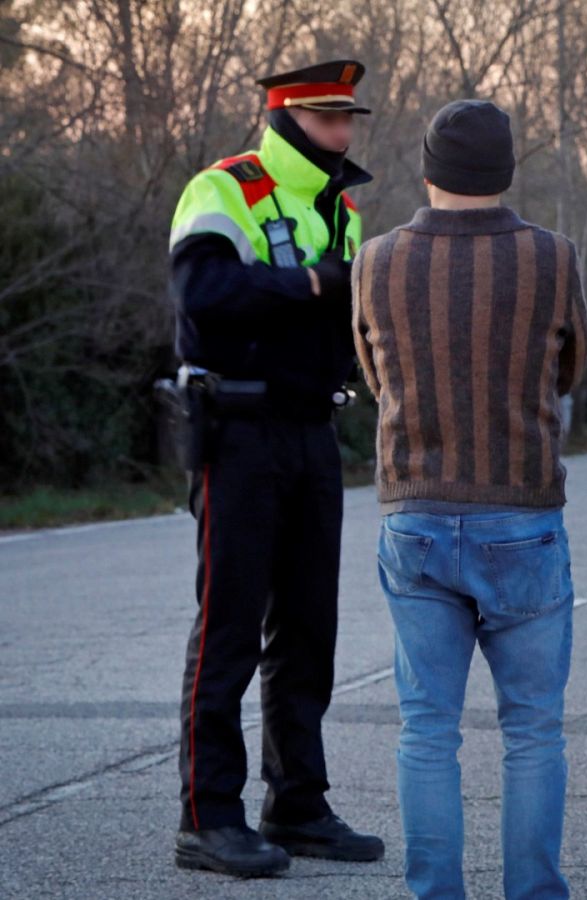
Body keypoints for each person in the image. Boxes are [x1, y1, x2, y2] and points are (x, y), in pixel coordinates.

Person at [352, 99, 587, 899]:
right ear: (507, 170)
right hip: (520, 513)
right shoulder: (552, 257)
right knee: (532, 734)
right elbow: (570, 371)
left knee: (427, 732)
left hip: (413, 513)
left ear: (427, 170)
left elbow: (374, 377)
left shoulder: (375, 259)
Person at [167, 59, 382, 877]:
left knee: (306, 629)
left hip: (312, 432)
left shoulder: (344, 210)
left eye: (349, 118)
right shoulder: (223, 188)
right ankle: (206, 817)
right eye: (330, 119)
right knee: (227, 627)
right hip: (239, 430)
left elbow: (354, 322)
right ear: (291, 119)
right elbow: (203, 293)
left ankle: (297, 803)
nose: (344, 132)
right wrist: (312, 284)